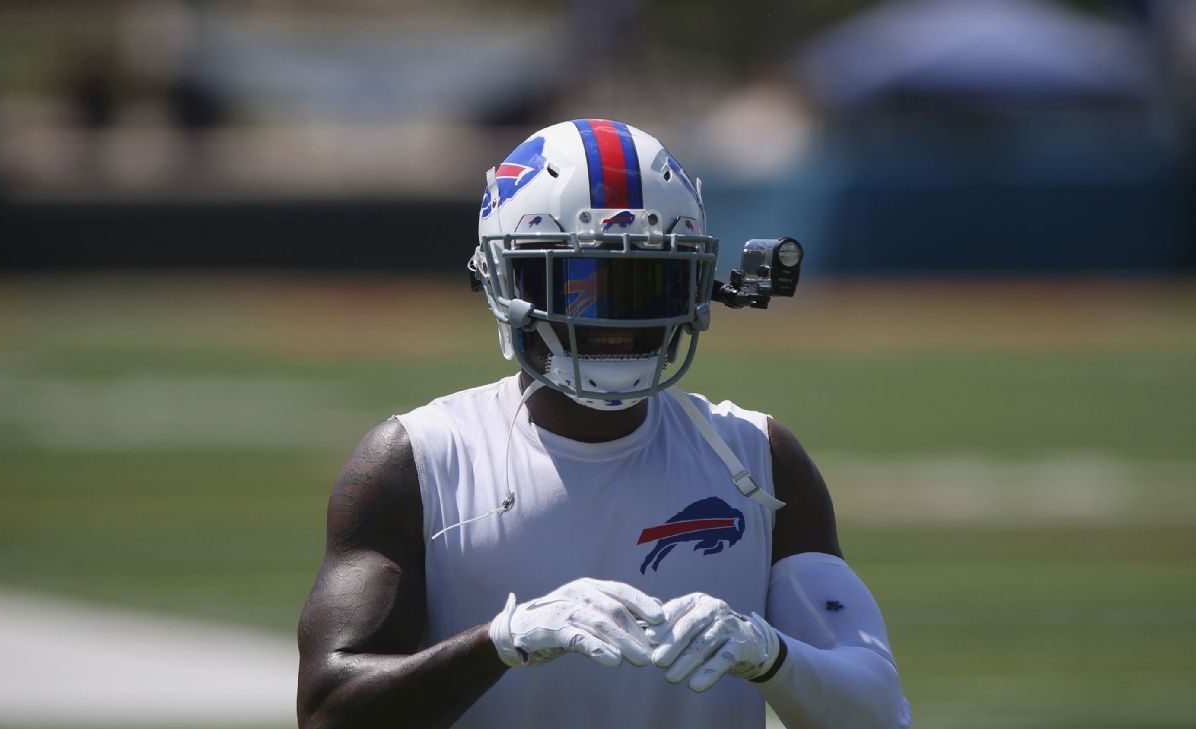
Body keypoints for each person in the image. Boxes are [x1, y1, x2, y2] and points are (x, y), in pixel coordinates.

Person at [297, 119, 911, 729]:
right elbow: (327, 713)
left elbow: (878, 714)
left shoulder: (757, 457)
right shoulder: (419, 460)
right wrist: (501, 642)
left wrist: (773, 656)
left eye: (646, 283)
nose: (616, 319)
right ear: (504, 282)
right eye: (580, 284)